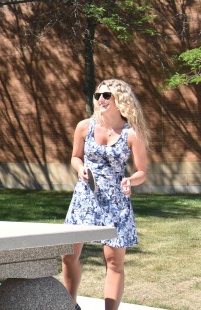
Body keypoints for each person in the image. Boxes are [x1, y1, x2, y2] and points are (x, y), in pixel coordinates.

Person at [62, 78, 151, 310]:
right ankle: (70, 306)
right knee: (68, 255)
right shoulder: (84, 126)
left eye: (106, 95)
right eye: (98, 95)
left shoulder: (132, 133)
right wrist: (80, 169)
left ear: (120, 98)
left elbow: (142, 171)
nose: (100, 99)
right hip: (85, 197)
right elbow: (75, 156)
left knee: (113, 261)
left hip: (116, 201)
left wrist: (131, 180)